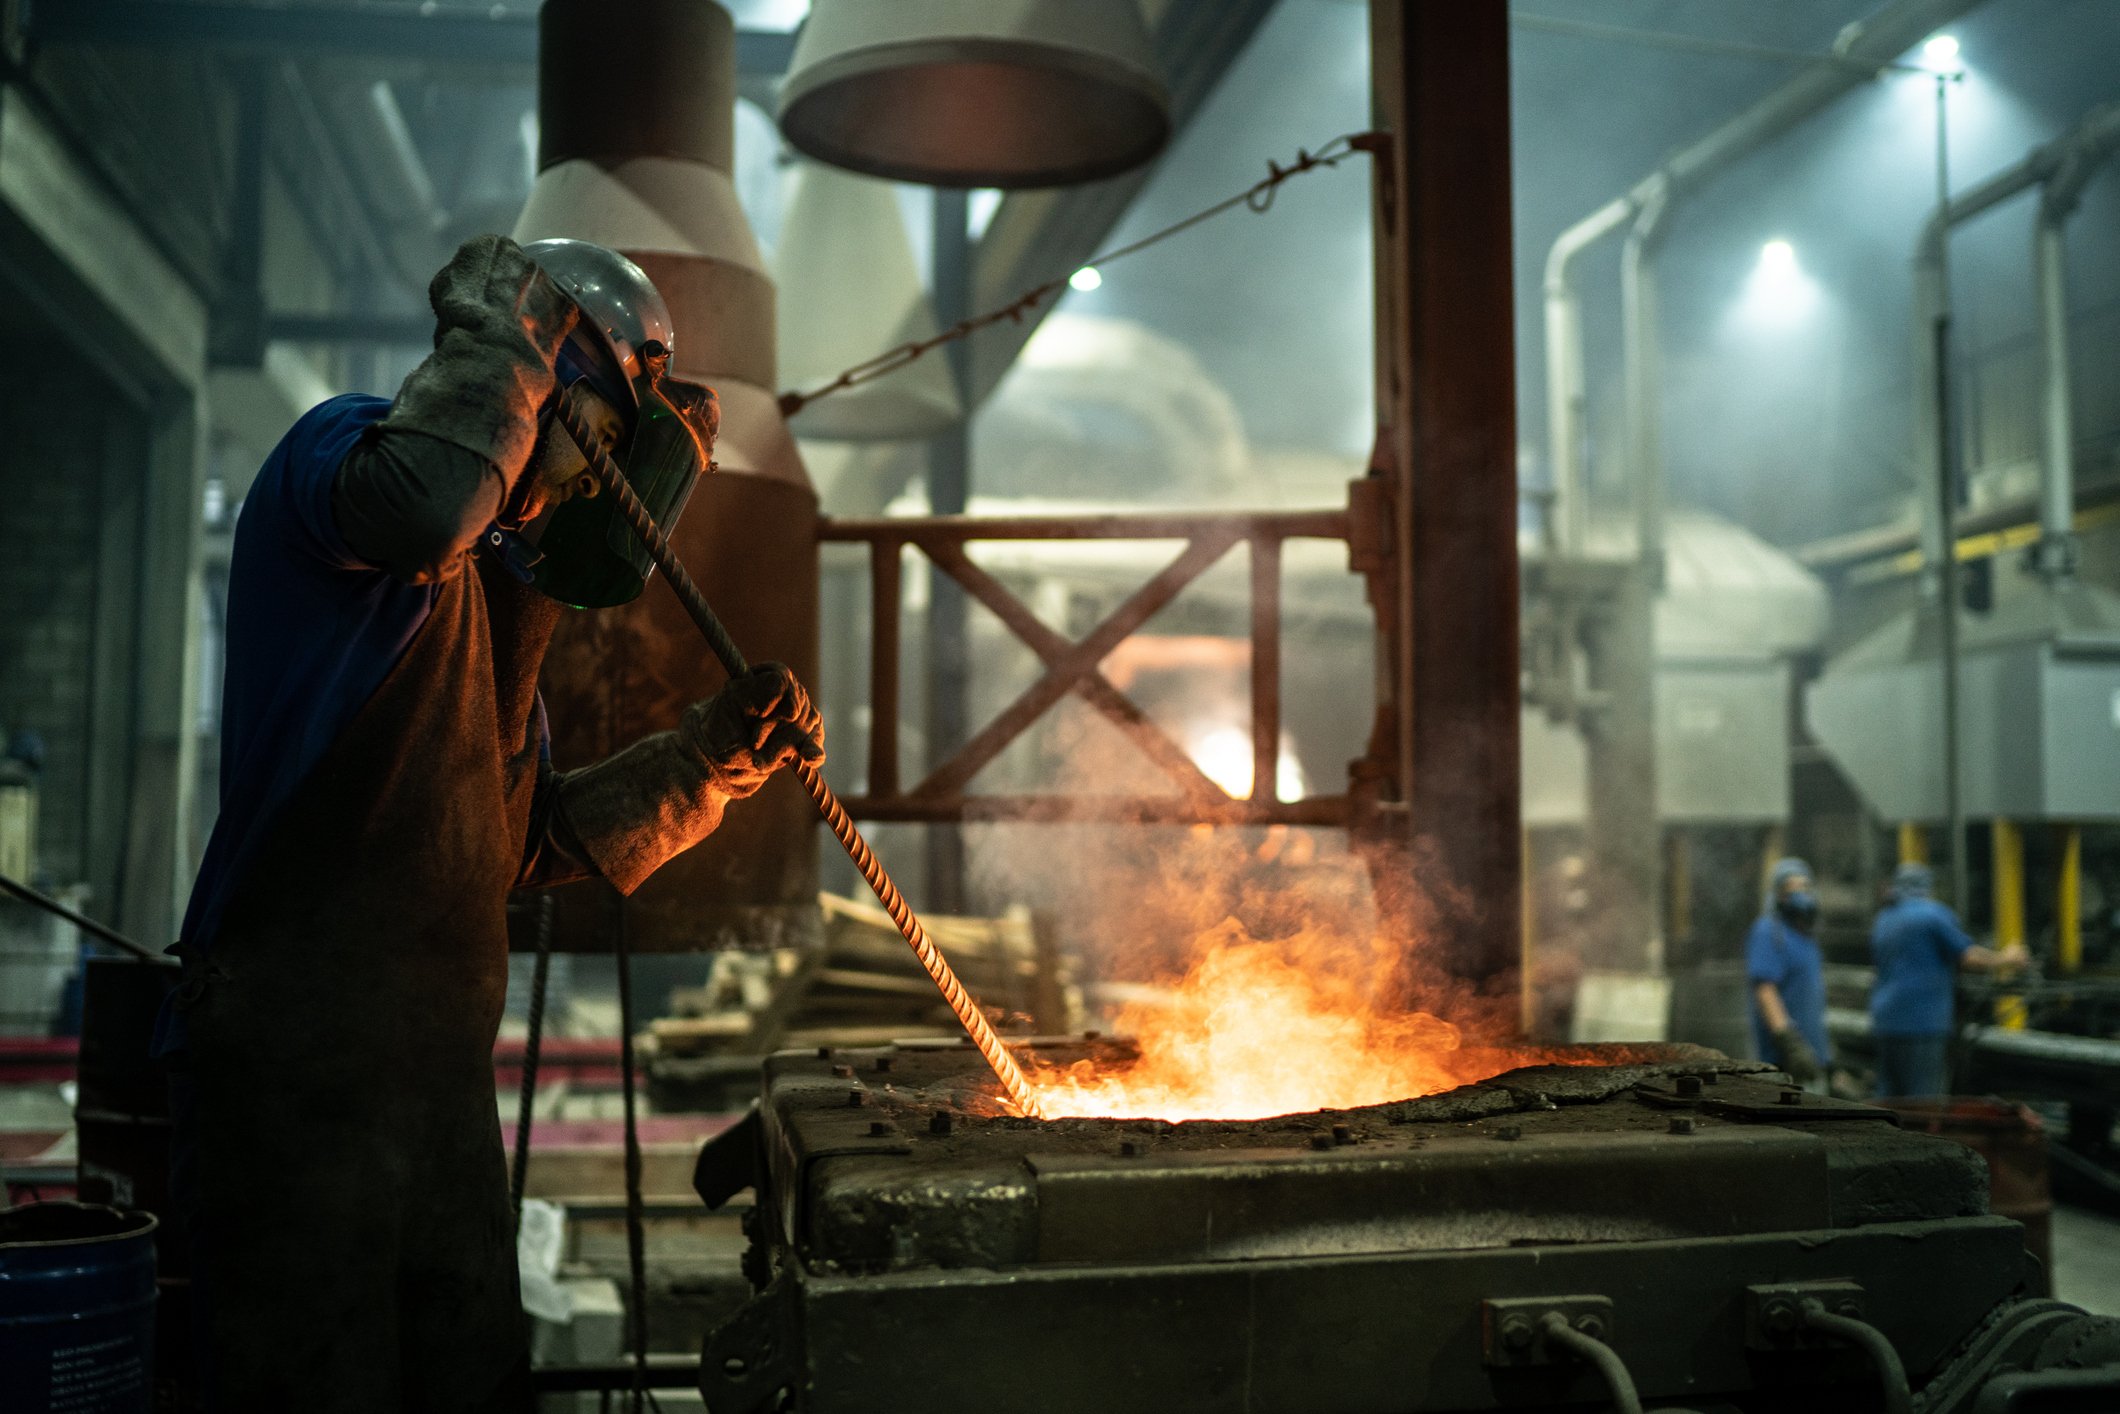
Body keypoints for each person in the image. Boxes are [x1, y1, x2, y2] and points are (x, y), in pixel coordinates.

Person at [161, 234, 824, 1413]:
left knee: (469, 1383)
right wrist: (511, 332)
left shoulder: (491, 600)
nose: (589, 481)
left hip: (439, 1097)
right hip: (290, 1083)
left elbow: (514, 841)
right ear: (544, 383)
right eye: (599, 434)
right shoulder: (341, 458)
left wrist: (706, 763)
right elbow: (427, 504)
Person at [1869, 862, 2028, 1099]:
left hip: (1886, 1019)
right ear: (1927, 886)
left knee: (1890, 1097)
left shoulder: (1884, 918)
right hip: (1921, 1022)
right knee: (1923, 1100)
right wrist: (2007, 959)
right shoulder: (1932, 915)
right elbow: (1967, 957)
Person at [1746, 856, 1830, 1086]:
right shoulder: (1768, 932)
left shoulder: (1805, 936)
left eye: (1804, 886)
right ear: (1777, 894)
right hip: (1784, 1059)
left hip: (1813, 1054)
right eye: (1790, 887)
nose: (1799, 893)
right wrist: (1791, 1045)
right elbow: (1765, 991)